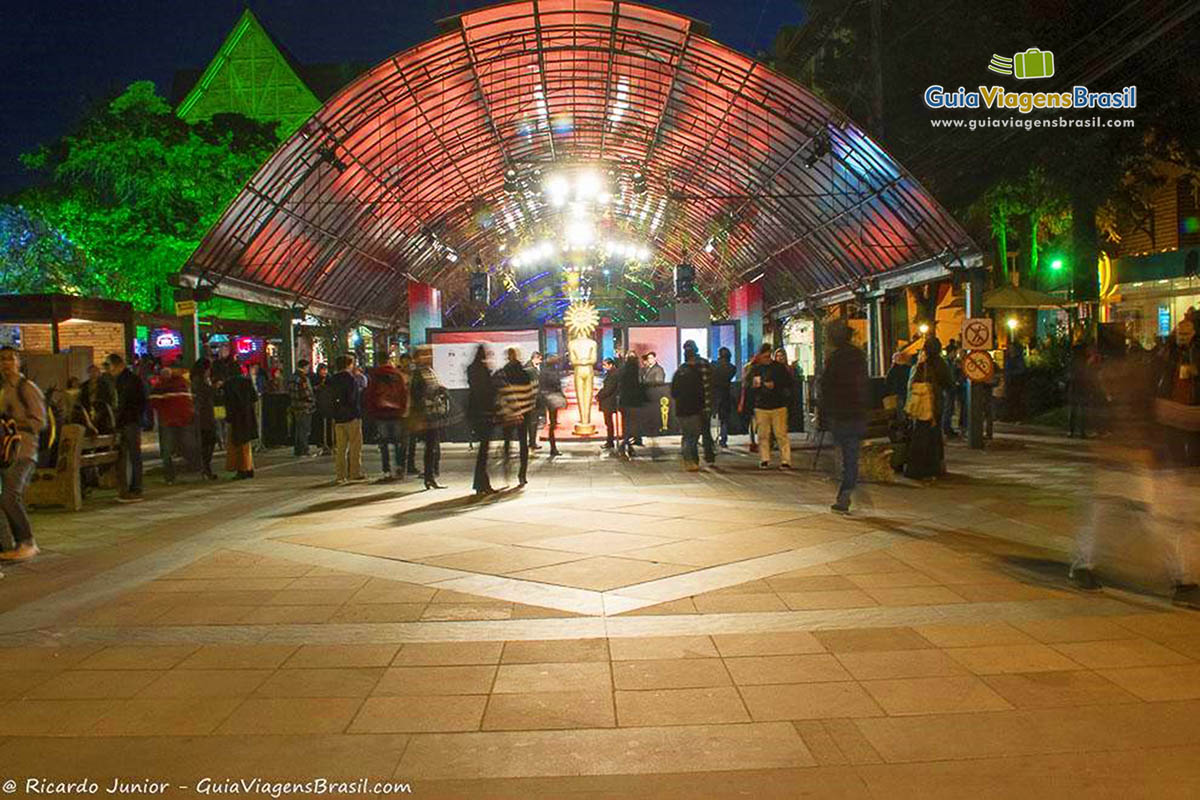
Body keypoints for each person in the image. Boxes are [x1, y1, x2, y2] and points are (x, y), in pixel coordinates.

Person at [0, 347, 46, 563]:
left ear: (19, 362)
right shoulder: (4, 389)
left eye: (11, 359)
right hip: (7, 452)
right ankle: (16, 543)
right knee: (7, 497)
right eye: (2, 359)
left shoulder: (26, 388)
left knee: (10, 496)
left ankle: (27, 542)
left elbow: (39, 421)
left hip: (24, 450)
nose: (6, 363)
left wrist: (13, 423)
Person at [819, 321, 869, 513]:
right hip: (856, 413)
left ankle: (845, 491)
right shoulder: (858, 356)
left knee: (843, 455)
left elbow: (825, 386)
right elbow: (864, 385)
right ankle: (847, 489)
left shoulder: (835, 358)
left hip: (839, 414)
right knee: (851, 456)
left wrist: (824, 412)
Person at [905, 336, 953, 479]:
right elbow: (948, 383)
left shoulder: (919, 364)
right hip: (933, 404)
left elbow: (910, 384)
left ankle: (914, 468)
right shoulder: (940, 364)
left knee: (919, 435)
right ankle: (931, 468)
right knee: (932, 436)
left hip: (918, 405)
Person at [107, 353, 147, 502]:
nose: (109, 370)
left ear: (117, 365)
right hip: (130, 420)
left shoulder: (126, 381)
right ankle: (131, 487)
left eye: (110, 366)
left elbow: (126, 403)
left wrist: (121, 419)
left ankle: (134, 487)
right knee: (130, 455)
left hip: (129, 421)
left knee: (131, 455)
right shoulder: (127, 380)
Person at [365, 356, 410, 481]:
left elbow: (370, 395)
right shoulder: (397, 375)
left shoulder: (375, 376)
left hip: (381, 414)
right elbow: (403, 394)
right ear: (389, 361)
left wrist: (372, 412)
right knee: (398, 442)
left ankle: (386, 470)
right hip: (396, 413)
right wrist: (403, 410)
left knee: (383, 444)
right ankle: (400, 467)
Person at [497, 347, 536, 487]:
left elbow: (502, 393)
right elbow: (530, 393)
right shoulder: (524, 373)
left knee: (507, 441)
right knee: (522, 442)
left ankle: (506, 469)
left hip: (509, 412)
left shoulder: (503, 372)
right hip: (524, 412)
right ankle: (522, 474)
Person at [148, 366, 194, 486]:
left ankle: (170, 476)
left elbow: (154, 402)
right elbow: (188, 402)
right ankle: (184, 472)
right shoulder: (182, 384)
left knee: (168, 449)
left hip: (168, 421)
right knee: (185, 446)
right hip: (182, 421)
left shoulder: (160, 387)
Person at [748, 344, 792, 469]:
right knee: (763, 434)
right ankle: (764, 458)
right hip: (761, 405)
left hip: (778, 405)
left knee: (781, 433)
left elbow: (788, 383)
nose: (766, 358)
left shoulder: (779, 368)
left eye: (768, 356)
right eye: (764, 356)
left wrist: (775, 385)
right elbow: (750, 386)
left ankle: (786, 460)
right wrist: (756, 387)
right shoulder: (756, 369)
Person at [409, 345, 446, 489]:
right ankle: (429, 476)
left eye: (429, 354)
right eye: (424, 354)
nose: (428, 357)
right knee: (430, 447)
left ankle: (430, 476)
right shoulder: (418, 374)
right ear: (417, 358)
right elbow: (416, 395)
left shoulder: (430, 371)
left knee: (433, 447)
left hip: (434, 413)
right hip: (426, 415)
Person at [328, 354, 366, 485]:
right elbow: (353, 399)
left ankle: (340, 475)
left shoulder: (332, 380)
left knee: (340, 448)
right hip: (352, 416)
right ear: (349, 364)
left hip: (338, 418)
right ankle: (355, 472)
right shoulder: (351, 379)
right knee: (355, 446)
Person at [466, 345, 497, 494]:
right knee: (483, 452)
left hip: (475, 413)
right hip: (484, 414)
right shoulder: (482, 371)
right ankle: (481, 484)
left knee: (483, 451)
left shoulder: (471, 369)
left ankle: (481, 483)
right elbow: (487, 392)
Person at [671, 341, 707, 471]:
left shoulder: (678, 372)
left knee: (686, 435)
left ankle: (688, 460)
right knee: (694, 436)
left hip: (681, 409)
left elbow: (673, 392)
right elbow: (701, 391)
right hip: (694, 409)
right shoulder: (695, 373)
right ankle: (692, 460)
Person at [222, 368, 258, 479]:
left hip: (234, 417)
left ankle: (241, 469)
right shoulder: (247, 382)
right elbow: (254, 398)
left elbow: (225, 401)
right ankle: (249, 467)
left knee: (236, 444)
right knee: (246, 444)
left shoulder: (227, 384)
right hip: (247, 416)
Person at [190, 358, 218, 480]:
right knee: (208, 441)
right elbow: (203, 396)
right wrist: (214, 388)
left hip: (205, 415)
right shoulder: (199, 382)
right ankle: (205, 468)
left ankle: (206, 468)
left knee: (208, 441)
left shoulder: (199, 381)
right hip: (204, 417)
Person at [617, 352, 645, 457]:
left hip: (625, 401)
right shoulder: (637, 372)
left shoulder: (623, 371)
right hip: (635, 402)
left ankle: (626, 443)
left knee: (627, 424)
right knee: (633, 424)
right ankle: (627, 443)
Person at [289, 359, 316, 457]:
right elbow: (305, 393)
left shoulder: (292, 377)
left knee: (298, 428)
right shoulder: (303, 378)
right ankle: (304, 450)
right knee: (304, 429)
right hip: (304, 407)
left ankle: (298, 450)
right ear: (305, 367)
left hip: (295, 406)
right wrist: (312, 400)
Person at [539, 355, 564, 457]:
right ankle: (553, 448)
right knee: (552, 424)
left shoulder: (544, 371)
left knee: (552, 423)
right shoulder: (551, 372)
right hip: (551, 397)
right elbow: (556, 383)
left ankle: (553, 448)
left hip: (546, 397)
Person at [712, 347, 736, 448]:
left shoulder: (713, 365)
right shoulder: (732, 367)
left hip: (714, 393)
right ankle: (723, 439)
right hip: (725, 393)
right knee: (724, 419)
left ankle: (711, 439)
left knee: (710, 417)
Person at [597, 357, 622, 449]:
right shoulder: (611, 373)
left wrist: (599, 395)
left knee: (609, 423)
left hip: (609, 401)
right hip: (608, 400)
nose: (604, 367)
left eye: (605, 365)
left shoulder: (613, 374)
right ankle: (609, 441)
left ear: (610, 365)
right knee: (608, 423)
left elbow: (609, 389)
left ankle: (610, 441)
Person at [311, 363, 332, 455]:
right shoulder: (314, 379)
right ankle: (321, 442)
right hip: (318, 405)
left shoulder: (329, 379)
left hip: (328, 405)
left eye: (325, 370)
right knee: (319, 425)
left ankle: (329, 442)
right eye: (322, 370)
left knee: (328, 425)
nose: (324, 372)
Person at [524, 351, 543, 450]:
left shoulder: (533, 367)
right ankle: (532, 442)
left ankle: (532, 441)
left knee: (533, 422)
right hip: (531, 399)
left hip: (535, 398)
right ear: (535, 358)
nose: (541, 361)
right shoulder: (529, 368)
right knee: (532, 421)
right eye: (540, 359)